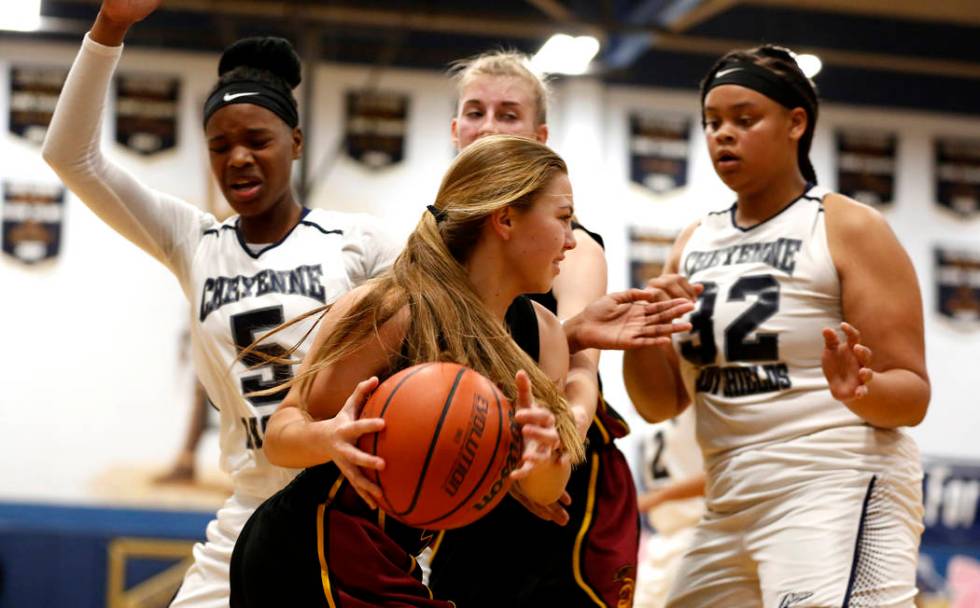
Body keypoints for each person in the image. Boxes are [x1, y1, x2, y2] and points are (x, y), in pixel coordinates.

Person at [42, 2, 400, 606]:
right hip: (253, 506)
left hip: (360, 504)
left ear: (295, 141)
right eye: (219, 145)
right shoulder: (195, 241)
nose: (238, 157)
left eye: (257, 140)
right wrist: (110, 26)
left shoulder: (360, 241)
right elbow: (70, 156)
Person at [623, 44, 929, 608]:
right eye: (712, 123)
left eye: (744, 119)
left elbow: (910, 395)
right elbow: (659, 404)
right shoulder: (692, 241)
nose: (723, 135)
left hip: (836, 480)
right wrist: (643, 335)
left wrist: (863, 388)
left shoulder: (847, 225)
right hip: (729, 497)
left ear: (796, 123)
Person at [230, 134, 587, 606]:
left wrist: (541, 459)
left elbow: (547, 495)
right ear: (505, 218)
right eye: (563, 218)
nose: (571, 240)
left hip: (393, 556)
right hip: (309, 551)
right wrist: (329, 438)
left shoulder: (543, 336)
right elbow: (281, 434)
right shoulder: (396, 308)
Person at [425, 50, 694, 608]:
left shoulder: (572, 245)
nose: (488, 127)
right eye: (475, 112)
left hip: (563, 466)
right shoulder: (433, 246)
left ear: (539, 138)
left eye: (508, 115)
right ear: (454, 130)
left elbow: (579, 372)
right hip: (474, 454)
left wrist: (553, 455)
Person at [633, 408, 705, 608]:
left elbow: (721, 473)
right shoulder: (646, 410)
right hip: (663, 538)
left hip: (700, 529)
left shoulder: (700, 401)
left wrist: (659, 497)